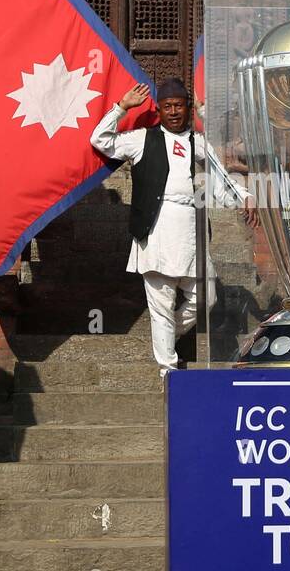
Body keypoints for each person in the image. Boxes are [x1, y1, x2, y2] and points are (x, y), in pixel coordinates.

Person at [90, 79, 250, 372]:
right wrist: (121, 108)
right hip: (156, 230)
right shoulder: (141, 139)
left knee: (206, 297)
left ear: (187, 109)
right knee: (161, 304)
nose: (174, 112)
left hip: (191, 230)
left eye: (179, 106)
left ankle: (169, 335)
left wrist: (245, 198)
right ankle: (168, 368)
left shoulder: (197, 142)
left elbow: (220, 179)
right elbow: (100, 140)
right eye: (167, 107)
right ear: (159, 110)